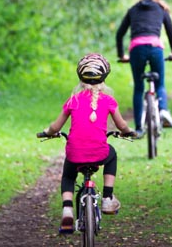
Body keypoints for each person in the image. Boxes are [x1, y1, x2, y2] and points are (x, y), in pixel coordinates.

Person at [40, 53, 136, 234]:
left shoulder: (73, 100)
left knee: (68, 176)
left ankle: (67, 209)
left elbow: (55, 126)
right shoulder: (108, 101)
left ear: (81, 78)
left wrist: (47, 132)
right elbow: (121, 125)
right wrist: (127, 131)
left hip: (75, 153)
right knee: (112, 154)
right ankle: (108, 197)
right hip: (100, 153)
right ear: (104, 78)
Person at [116, 0, 172, 135]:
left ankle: (138, 128)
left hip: (137, 48)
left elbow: (119, 34)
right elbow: (171, 33)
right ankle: (163, 110)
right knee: (160, 84)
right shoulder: (162, 9)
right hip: (155, 48)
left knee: (139, 88)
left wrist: (122, 55)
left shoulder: (133, 10)